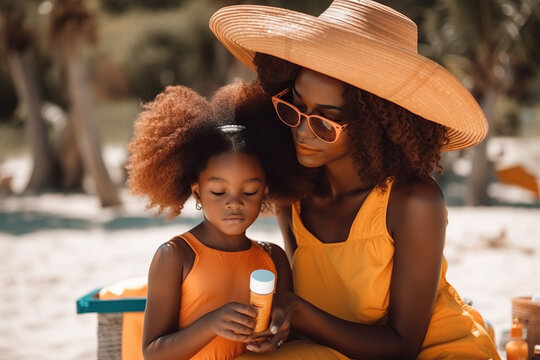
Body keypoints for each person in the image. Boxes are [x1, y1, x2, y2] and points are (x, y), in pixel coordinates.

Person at [209, 0, 501, 359]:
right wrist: (279, 327)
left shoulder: (414, 201)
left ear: (374, 124)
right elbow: (313, 316)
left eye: (324, 122)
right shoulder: (294, 191)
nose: (302, 130)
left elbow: (402, 346)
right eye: (295, 107)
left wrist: (299, 311)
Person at [126, 82, 311, 360]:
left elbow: (287, 334)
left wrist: (275, 337)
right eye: (218, 191)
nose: (234, 202)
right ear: (197, 190)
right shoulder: (176, 256)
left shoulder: (274, 259)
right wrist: (210, 324)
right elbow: (153, 353)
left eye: (249, 191)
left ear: (265, 192)